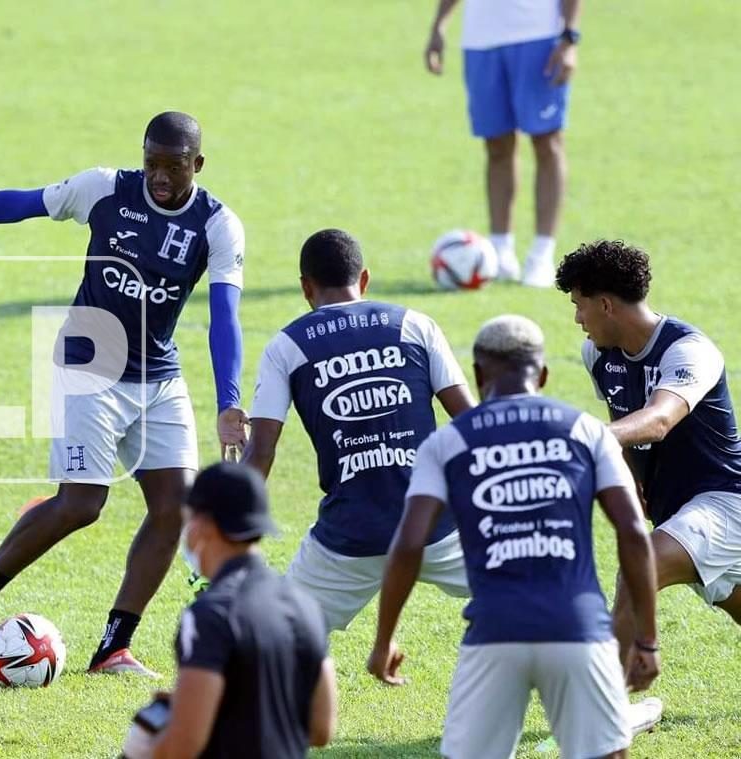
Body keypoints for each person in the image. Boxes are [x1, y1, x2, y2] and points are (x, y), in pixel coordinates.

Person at [0, 111, 247, 675]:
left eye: (173, 167)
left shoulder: (217, 226)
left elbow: (224, 318)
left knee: (174, 510)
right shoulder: (104, 188)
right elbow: (21, 203)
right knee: (83, 504)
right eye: (151, 162)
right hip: (91, 357)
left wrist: (229, 402)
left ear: (196, 164)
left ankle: (113, 647)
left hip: (160, 375)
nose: (159, 176)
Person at [368, 315, 659, 759]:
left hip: (494, 632)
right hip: (577, 630)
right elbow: (634, 531)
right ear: (542, 374)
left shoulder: (446, 443)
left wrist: (384, 638)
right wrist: (647, 638)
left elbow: (408, 544)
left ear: (478, 374)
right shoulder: (585, 430)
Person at [242, 229, 476, 632]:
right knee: (535, 587)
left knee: (277, 635)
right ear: (364, 279)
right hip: (436, 526)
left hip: (349, 538)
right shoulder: (415, 326)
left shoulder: (286, 346)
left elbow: (262, 451)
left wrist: (228, 524)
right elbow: (473, 425)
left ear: (305, 287)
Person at [556, 240, 741, 639]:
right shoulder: (598, 355)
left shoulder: (689, 351)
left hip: (726, 502)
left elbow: (657, 420)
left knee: (641, 566)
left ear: (605, 305)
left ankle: (605, 699)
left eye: (579, 304)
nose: (577, 318)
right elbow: (624, 424)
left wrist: (581, 436)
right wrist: (626, 479)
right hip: (675, 513)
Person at [148, 463, 335, 759]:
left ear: (204, 525)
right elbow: (321, 728)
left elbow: (183, 747)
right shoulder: (306, 605)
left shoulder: (210, 615)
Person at [425, 0, 582, 287]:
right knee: (496, 146)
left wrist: (569, 36)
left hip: (538, 36)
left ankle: (541, 254)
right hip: (480, 42)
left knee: (547, 143)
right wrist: (439, 24)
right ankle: (500, 250)